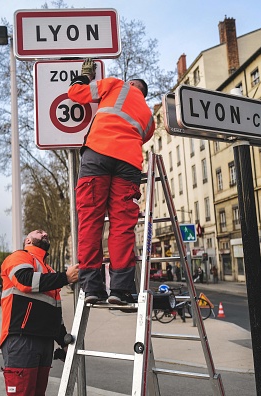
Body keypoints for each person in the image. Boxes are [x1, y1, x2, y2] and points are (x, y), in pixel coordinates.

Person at [68, 58, 155, 305]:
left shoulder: (116, 85)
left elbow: (77, 94)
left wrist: (84, 76)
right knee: (122, 225)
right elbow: (143, 137)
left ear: (131, 84)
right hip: (129, 164)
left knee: (91, 221)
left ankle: (93, 288)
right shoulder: (149, 117)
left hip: (98, 153)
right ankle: (120, 290)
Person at [0, 229, 78, 396]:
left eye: (46, 233)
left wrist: (62, 340)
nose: (45, 234)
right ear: (27, 240)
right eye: (39, 232)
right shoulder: (19, 257)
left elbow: (54, 311)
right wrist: (65, 278)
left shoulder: (49, 271)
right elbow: (25, 281)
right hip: (21, 337)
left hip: (44, 341)